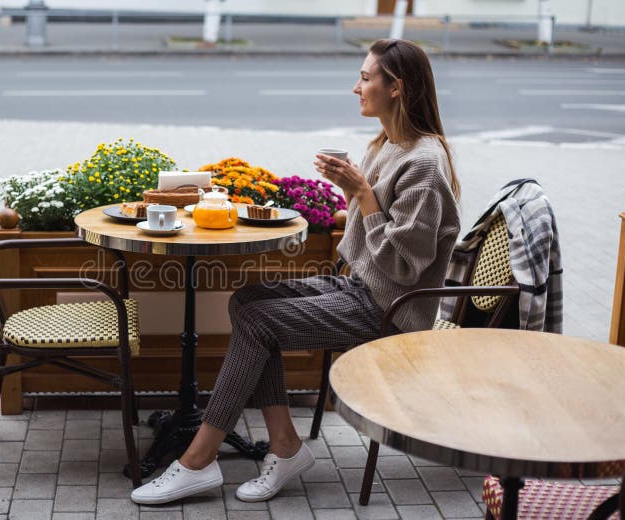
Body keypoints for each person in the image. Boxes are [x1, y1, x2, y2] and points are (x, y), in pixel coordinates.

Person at [130, 38, 462, 506]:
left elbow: (403, 267)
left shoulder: (424, 164)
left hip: (392, 309)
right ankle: (285, 448)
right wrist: (355, 191)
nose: (356, 87)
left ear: (397, 88)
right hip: (361, 288)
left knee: (260, 321)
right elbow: (367, 244)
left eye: (366, 78)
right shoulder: (386, 146)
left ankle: (196, 462)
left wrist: (363, 195)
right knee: (246, 301)